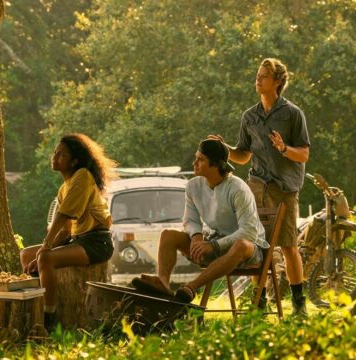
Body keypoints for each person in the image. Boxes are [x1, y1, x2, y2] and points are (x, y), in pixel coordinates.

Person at [208, 58, 310, 315]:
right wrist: (225, 149)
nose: (258, 79)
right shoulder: (249, 116)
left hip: (283, 190)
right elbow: (243, 156)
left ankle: (299, 306)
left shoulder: (292, 114)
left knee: (288, 246)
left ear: (277, 81)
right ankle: (259, 304)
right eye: (257, 75)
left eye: (264, 76)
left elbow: (304, 155)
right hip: (255, 188)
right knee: (256, 244)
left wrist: (284, 149)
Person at [131, 139, 269, 304]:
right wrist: (196, 237)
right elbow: (190, 219)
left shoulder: (238, 188)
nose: (194, 163)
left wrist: (213, 245)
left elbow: (248, 232)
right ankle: (163, 283)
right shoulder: (193, 186)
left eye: (200, 159)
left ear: (216, 165)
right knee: (168, 235)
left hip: (247, 251)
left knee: (241, 244)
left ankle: (190, 288)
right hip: (213, 243)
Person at [20, 133, 116, 329]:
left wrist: (45, 249)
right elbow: (65, 232)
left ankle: (48, 317)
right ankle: (36, 303)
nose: (54, 157)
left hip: (97, 243)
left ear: (74, 161)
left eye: (61, 155)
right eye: (55, 153)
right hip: (77, 241)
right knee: (26, 254)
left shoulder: (82, 176)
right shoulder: (64, 188)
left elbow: (64, 215)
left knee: (45, 258)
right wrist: (41, 252)